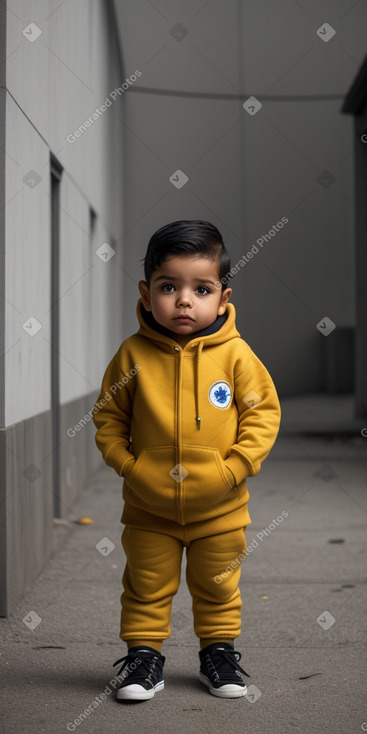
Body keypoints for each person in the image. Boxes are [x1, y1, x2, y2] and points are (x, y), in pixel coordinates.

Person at [93, 219, 281, 701]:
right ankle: (143, 660)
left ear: (222, 297)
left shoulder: (237, 355)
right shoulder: (132, 355)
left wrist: (233, 469)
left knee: (218, 588)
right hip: (149, 509)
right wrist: (129, 467)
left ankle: (218, 655)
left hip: (220, 511)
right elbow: (108, 417)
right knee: (145, 587)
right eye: (168, 286)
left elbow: (262, 417)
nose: (183, 300)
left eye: (201, 289)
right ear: (146, 291)